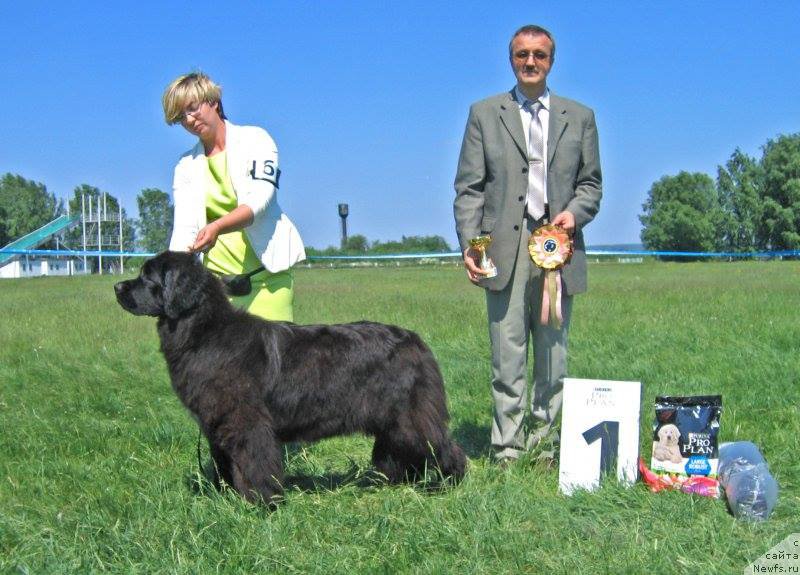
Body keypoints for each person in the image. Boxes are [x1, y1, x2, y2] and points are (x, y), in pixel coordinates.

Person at [453, 25, 602, 465]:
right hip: (503, 253)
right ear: (511, 60)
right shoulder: (484, 113)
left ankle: (546, 446)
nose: (530, 62)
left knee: (553, 356)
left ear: (551, 61)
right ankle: (507, 448)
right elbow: (469, 189)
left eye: (539, 54)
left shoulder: (580, 116)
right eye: (522, 54)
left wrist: (574, 214)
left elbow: (591, 184)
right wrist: (472, 246)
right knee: (507, 353)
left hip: (560, 250)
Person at [162, 72, 305, 321]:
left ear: (213, 101)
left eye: (192, 108)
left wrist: (216, 227)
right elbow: (183, 230)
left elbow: (258, 201)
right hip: (217, 291)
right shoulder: (185, 165)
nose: (189, 120)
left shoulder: (256, 140)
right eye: (180, 117)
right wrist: (171, 277)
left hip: (268, 281)